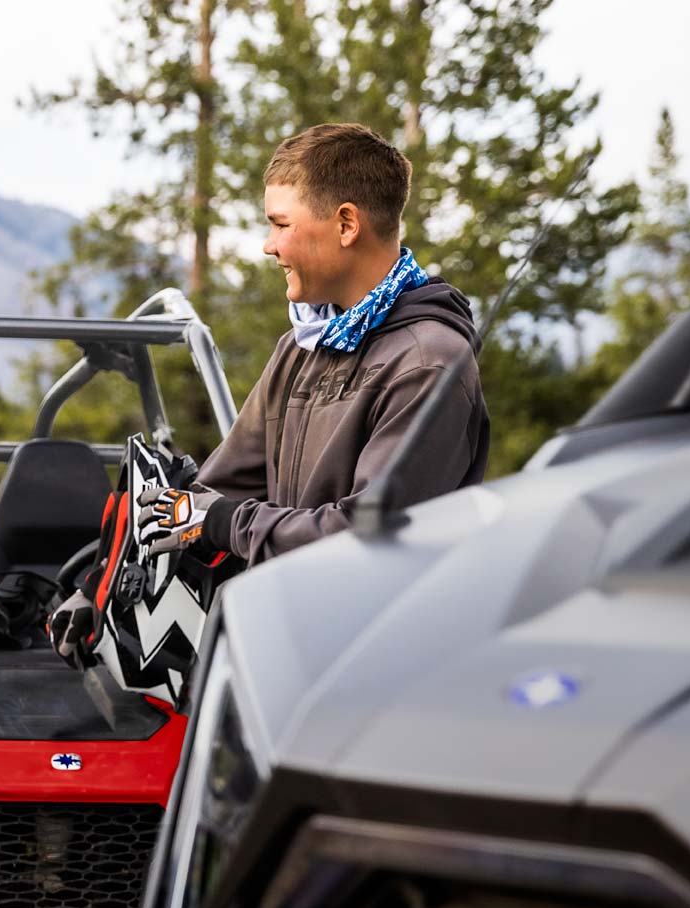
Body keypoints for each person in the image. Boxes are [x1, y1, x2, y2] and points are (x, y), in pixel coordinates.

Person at [52, 122, 488, 663]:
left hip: (379, 663)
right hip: (287, 642)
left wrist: (221, 523)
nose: (269, 246)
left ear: (346, 224)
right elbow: (215, 488)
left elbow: (367, 537)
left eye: (281, 224)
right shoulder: (302, 346)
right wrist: (99, 586)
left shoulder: (428, 362)